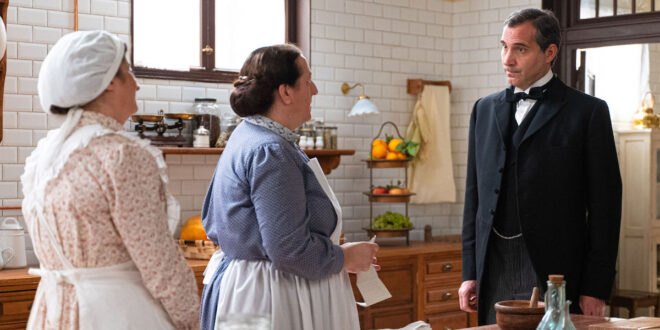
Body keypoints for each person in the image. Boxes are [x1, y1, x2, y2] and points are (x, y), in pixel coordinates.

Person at [20, 30, 200, 329]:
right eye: (129, 73)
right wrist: (192, 320)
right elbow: (160, 265)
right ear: (110, 83)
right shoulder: (121, 155)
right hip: (116, 313)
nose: (137, 84)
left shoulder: (45, 158)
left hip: (55, 313)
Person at [458, 8, 622, 325]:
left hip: (555, 270)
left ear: (549, 53)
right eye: (503, 46)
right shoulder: (483, 109)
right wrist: (470, 272)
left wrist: (595, 287)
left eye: (520, 48)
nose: (507, 59)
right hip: (493, 264)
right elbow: (473, 197)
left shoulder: (587, 112)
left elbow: (606, 207)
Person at [200, 44, 379, 330]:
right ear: (285, 92)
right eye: (307, 81)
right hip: (270, 295)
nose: (315, 90)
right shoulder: (270, 150)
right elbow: (288, 249)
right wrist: (344, 257)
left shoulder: (248, 136)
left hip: (252, 288)